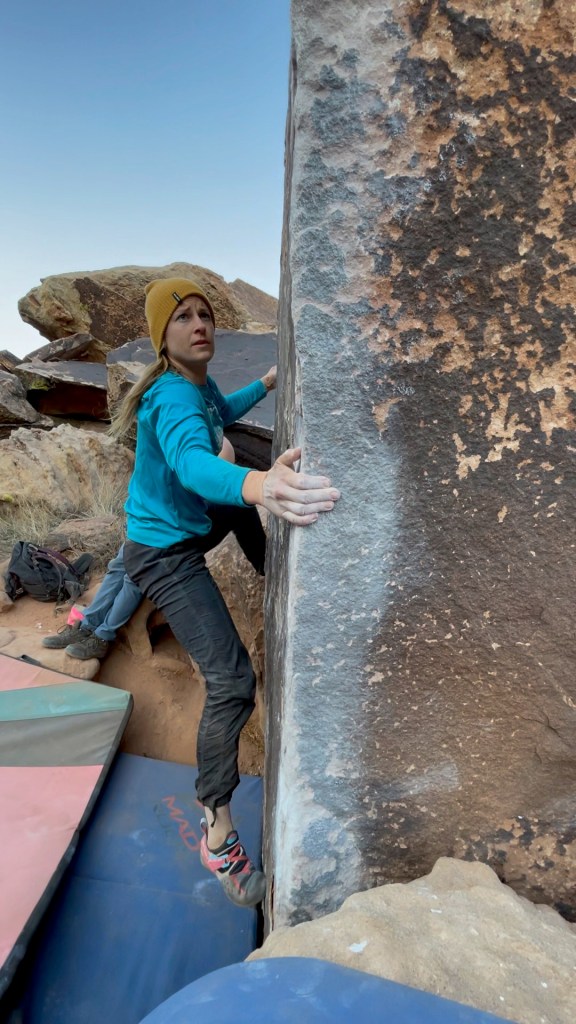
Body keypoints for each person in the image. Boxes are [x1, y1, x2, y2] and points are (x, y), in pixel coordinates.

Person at [112, 277, 340, 908]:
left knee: (236, 476)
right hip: (164, 554)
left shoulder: (198, 384)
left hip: (185, 524)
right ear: (162, 337)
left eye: (204, 314)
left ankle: (273, 576)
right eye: (183, 317)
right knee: (233, 681)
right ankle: (217, 831)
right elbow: (192, 462)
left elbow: (221, 410)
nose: (199, 325)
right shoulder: (169, 395)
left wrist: (266, 383)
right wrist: (261, 486)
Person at [41, 542, 142, 660]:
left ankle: (103, 637)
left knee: (134, 578)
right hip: (140, 533)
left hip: (158, 540)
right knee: (117, 568)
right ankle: (87, 627)